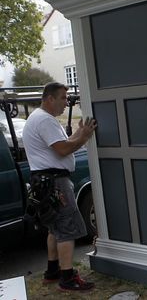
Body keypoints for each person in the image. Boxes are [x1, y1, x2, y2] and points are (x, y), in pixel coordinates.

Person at [22, 82, 97, 291]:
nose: (66, 103)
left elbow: (62, 143)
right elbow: (63, 149)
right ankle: (67, 278)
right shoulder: (45, 121)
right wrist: (84, 136)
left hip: (45, 181)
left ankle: (52, 271)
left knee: (54, 228)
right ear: (50, 99)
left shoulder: (38, 118)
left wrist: (79, 132)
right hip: (55, 182)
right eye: (63, 98)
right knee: (66, 229)